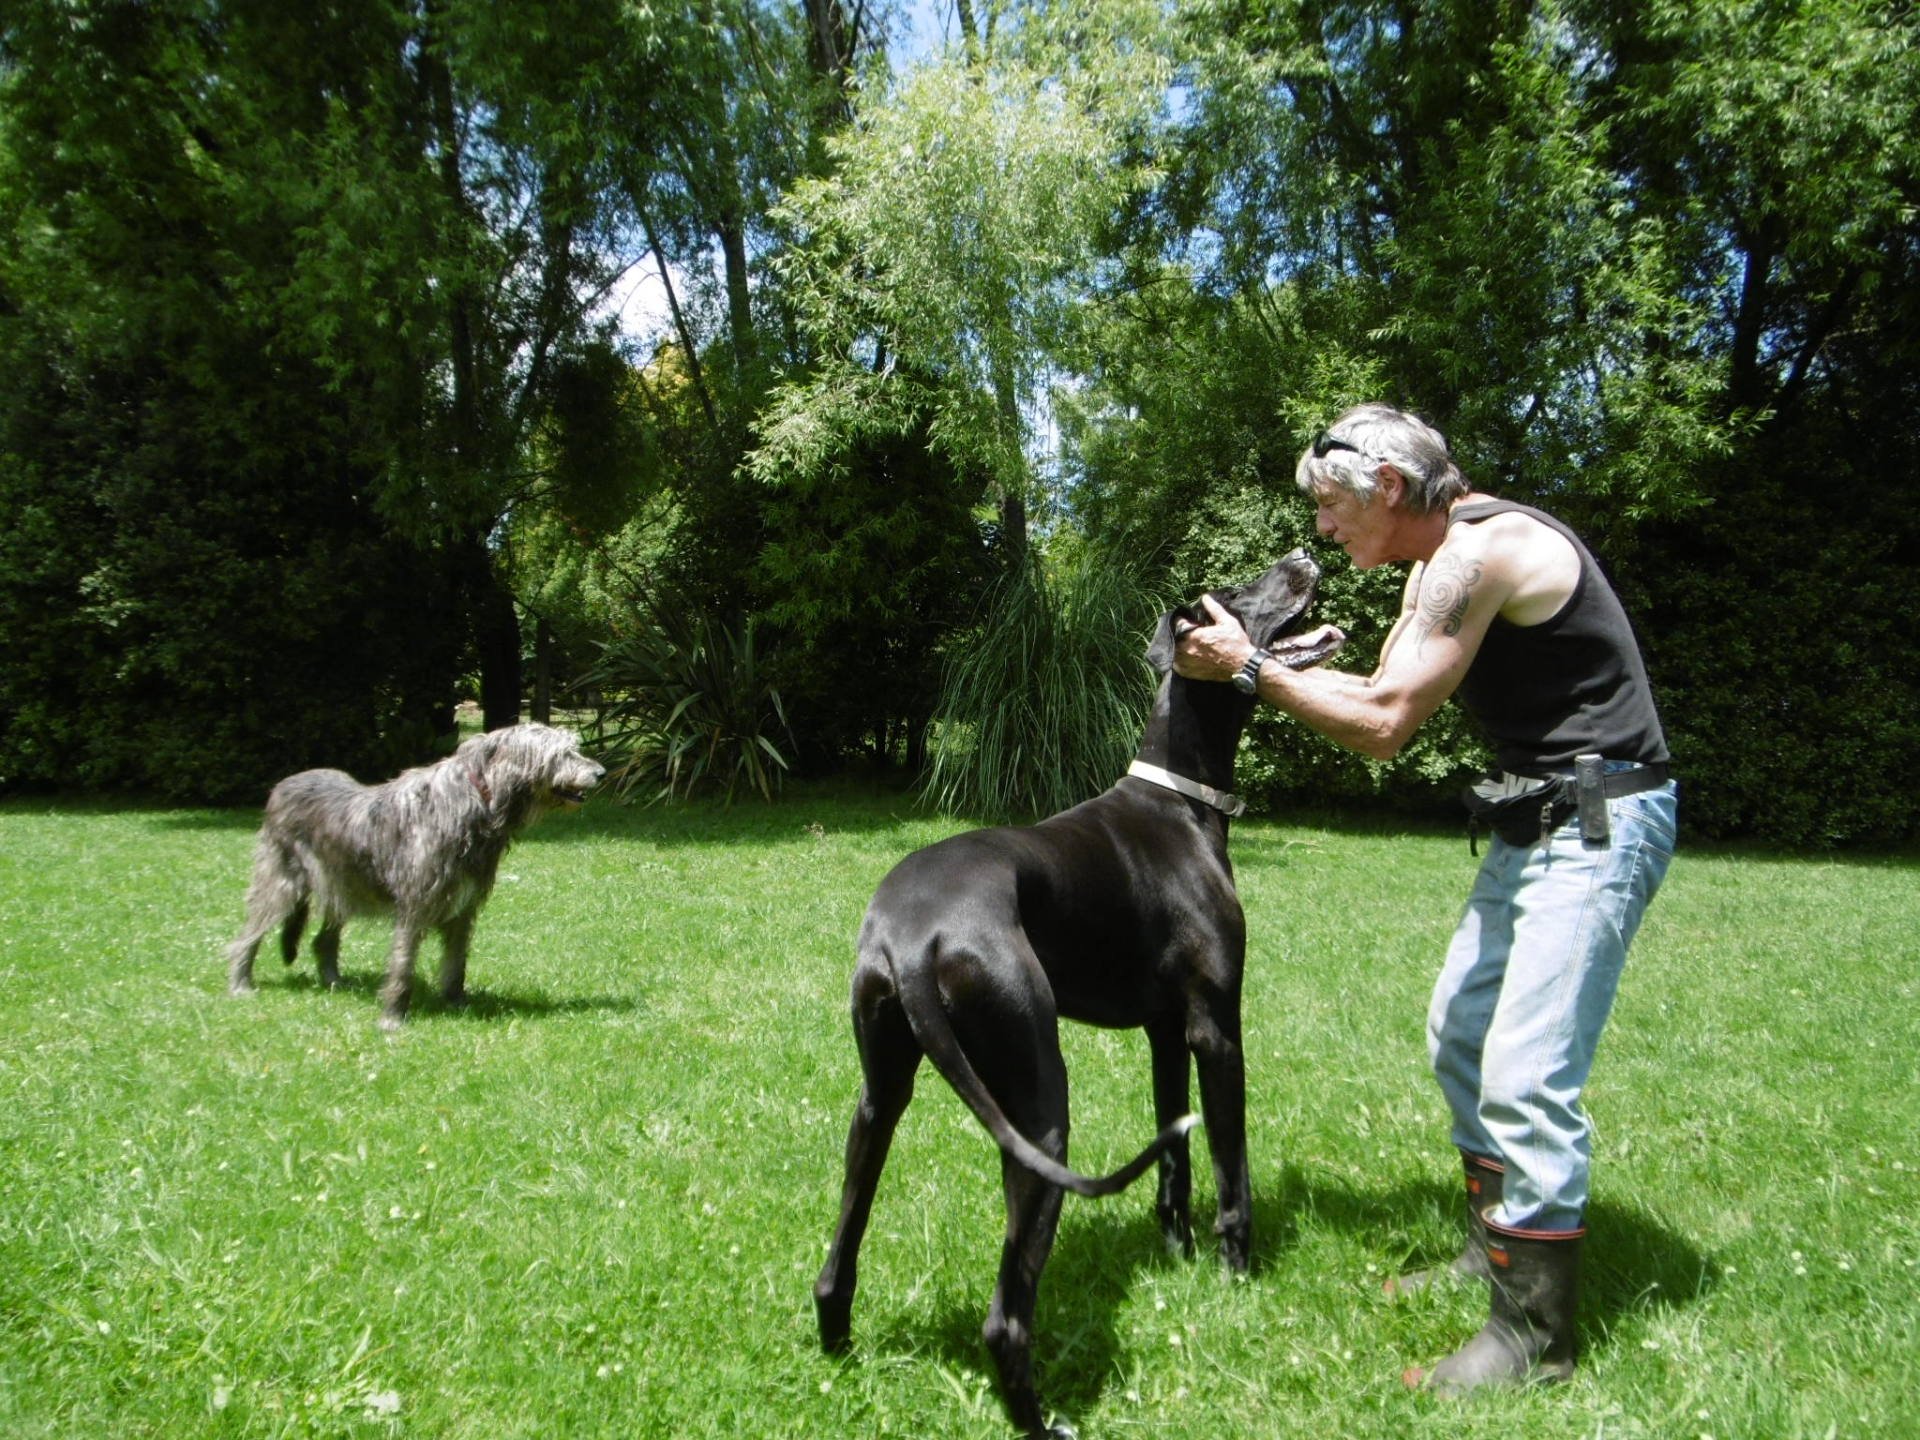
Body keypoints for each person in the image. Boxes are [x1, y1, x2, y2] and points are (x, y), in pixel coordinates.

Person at [1173, 402, 1677, 1394]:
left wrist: (1250, 668)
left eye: (1328, 509)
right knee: (1461, 1030)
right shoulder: (1432, 560)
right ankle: (1497, 1242)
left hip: (1600, 820)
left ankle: (1535, 1338)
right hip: (1536, 817)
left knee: (1526, 1072)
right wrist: (1276, 666)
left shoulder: (1478, 555)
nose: (1322, 529)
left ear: (1389, 491)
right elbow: (1376, 692)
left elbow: (1385, 724)